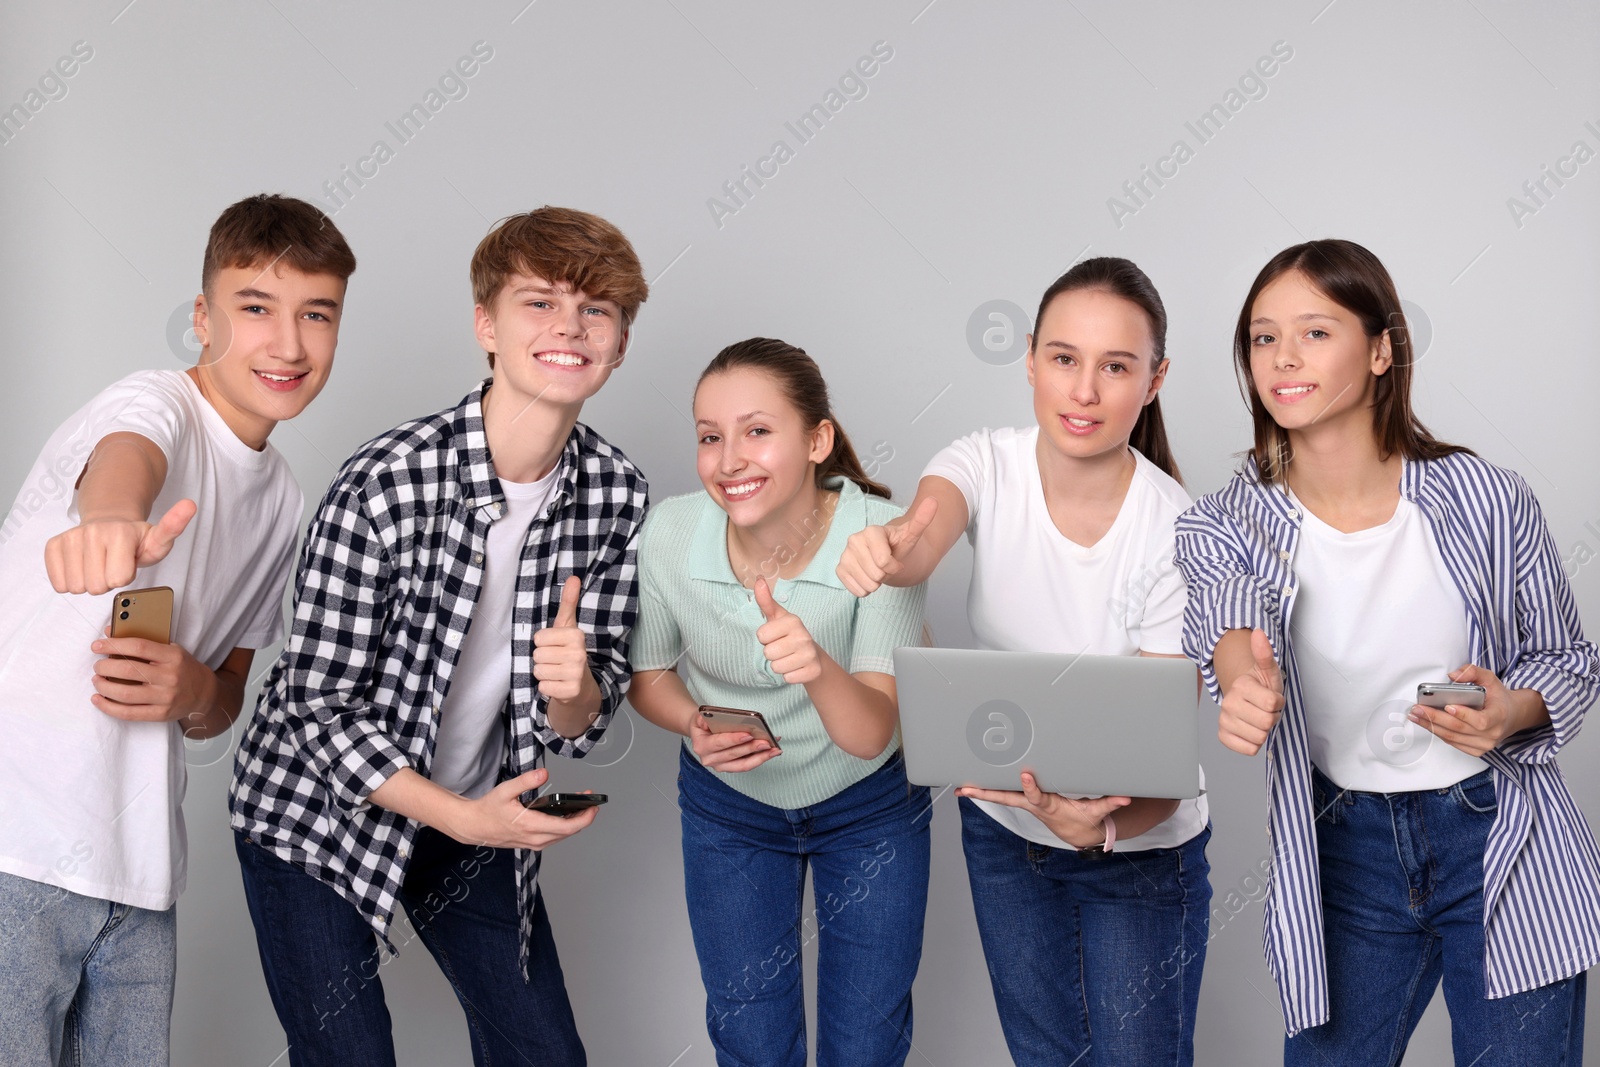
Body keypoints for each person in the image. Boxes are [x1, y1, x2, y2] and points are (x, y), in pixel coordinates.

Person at [228, 207, 649, 1067]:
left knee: (545, 1055)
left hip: (476, 807)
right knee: (351, 1055)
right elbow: (313, 706)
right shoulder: (387, 481)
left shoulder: (617, 494)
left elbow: (586, 716)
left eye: (595, 310)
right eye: (539, 303)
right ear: (486, 326)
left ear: (620, 343)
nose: (569, 327)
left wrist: (576, 689)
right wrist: (461, 815)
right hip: (317, 809)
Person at [1175, 238, 1598, 1064]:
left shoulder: (1485, 498)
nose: (1283, 358)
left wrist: (1511, 709)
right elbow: (1227, 622)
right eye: (1263, 338)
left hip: (1497, 835)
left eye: (1315, 332)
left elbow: (1569, 659)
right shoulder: (1226, 522)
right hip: (1347, 852)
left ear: (1380, 350)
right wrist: (1241, 677)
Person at [0, 194, 355, 1065]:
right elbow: (128, 456)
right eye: (255, 308)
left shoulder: (283, 499)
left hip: (139, 875)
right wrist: (112, 518)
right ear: (202, 319)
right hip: (16, 847)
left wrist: (197, 690)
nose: (288, 343)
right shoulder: (151, 402)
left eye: (317, 314)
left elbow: (225, 689)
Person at [837, 257, 1212, 1066]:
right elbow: (924, 531)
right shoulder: (985, 460)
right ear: (1033, 361)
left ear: (1155, 380)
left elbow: (1163, 745)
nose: (1084, 390)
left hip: (1138, 850)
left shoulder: (1175, 527)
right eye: (1065, 359)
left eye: (1116, 367)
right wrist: (889, 548)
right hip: (1005, 828)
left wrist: (1103, 825)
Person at [627, 337, 931, 1067]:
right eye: (710, 437)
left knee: (867, 1042)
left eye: (757, 431)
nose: (729, 459)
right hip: (729, 807)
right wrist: (692, 721)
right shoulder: (669, 534)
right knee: (752, 1040)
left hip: (867, 803)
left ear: (818, 440)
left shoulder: (878, 540)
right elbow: (648, 675)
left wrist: (815, 666)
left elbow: (872, 732)